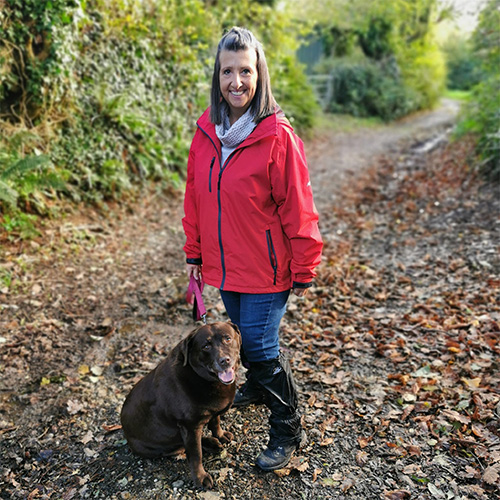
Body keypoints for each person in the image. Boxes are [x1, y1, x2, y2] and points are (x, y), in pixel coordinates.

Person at [182, 26, 323, 471]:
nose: (236, 82)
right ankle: (260, 388)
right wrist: (195, 251)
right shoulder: (207, 133)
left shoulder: (277, 136)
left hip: (266, 269)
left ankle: (287, 427)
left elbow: (299, 206)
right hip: (225, 270)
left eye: (245, 71)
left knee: (260, 350)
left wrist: (304, 264)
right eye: (228, 71)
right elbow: (195, 198)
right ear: (217, 76)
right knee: (243, 347)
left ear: (259, 73)